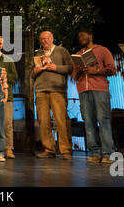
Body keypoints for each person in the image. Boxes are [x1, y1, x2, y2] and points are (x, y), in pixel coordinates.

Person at [72, 28, 117, 164]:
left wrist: (96, 70)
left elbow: (112, 69)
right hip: (83, 91)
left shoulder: (102, 50)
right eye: (79, 37)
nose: (81, 39)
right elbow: (73, 77)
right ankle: (95, 152)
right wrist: (78, 70)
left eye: (83, 36)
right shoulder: (78, 55)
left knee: (103, 120)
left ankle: (108, 153)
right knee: (89, 122)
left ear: (90, 36)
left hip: (99, 89)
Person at [32, 31, 73, 160]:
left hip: (57, 90)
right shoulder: (38, 54)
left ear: (52, 38)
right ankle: (49, 149)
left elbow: (70, 68)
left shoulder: (61, 51)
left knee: (61, 120)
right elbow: (31, 75)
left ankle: (66, 150)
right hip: (41, 90)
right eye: (42, 39)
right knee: (43, 121)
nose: (44, 41)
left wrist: (56, 68)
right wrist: (35, 71)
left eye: (46, 38)